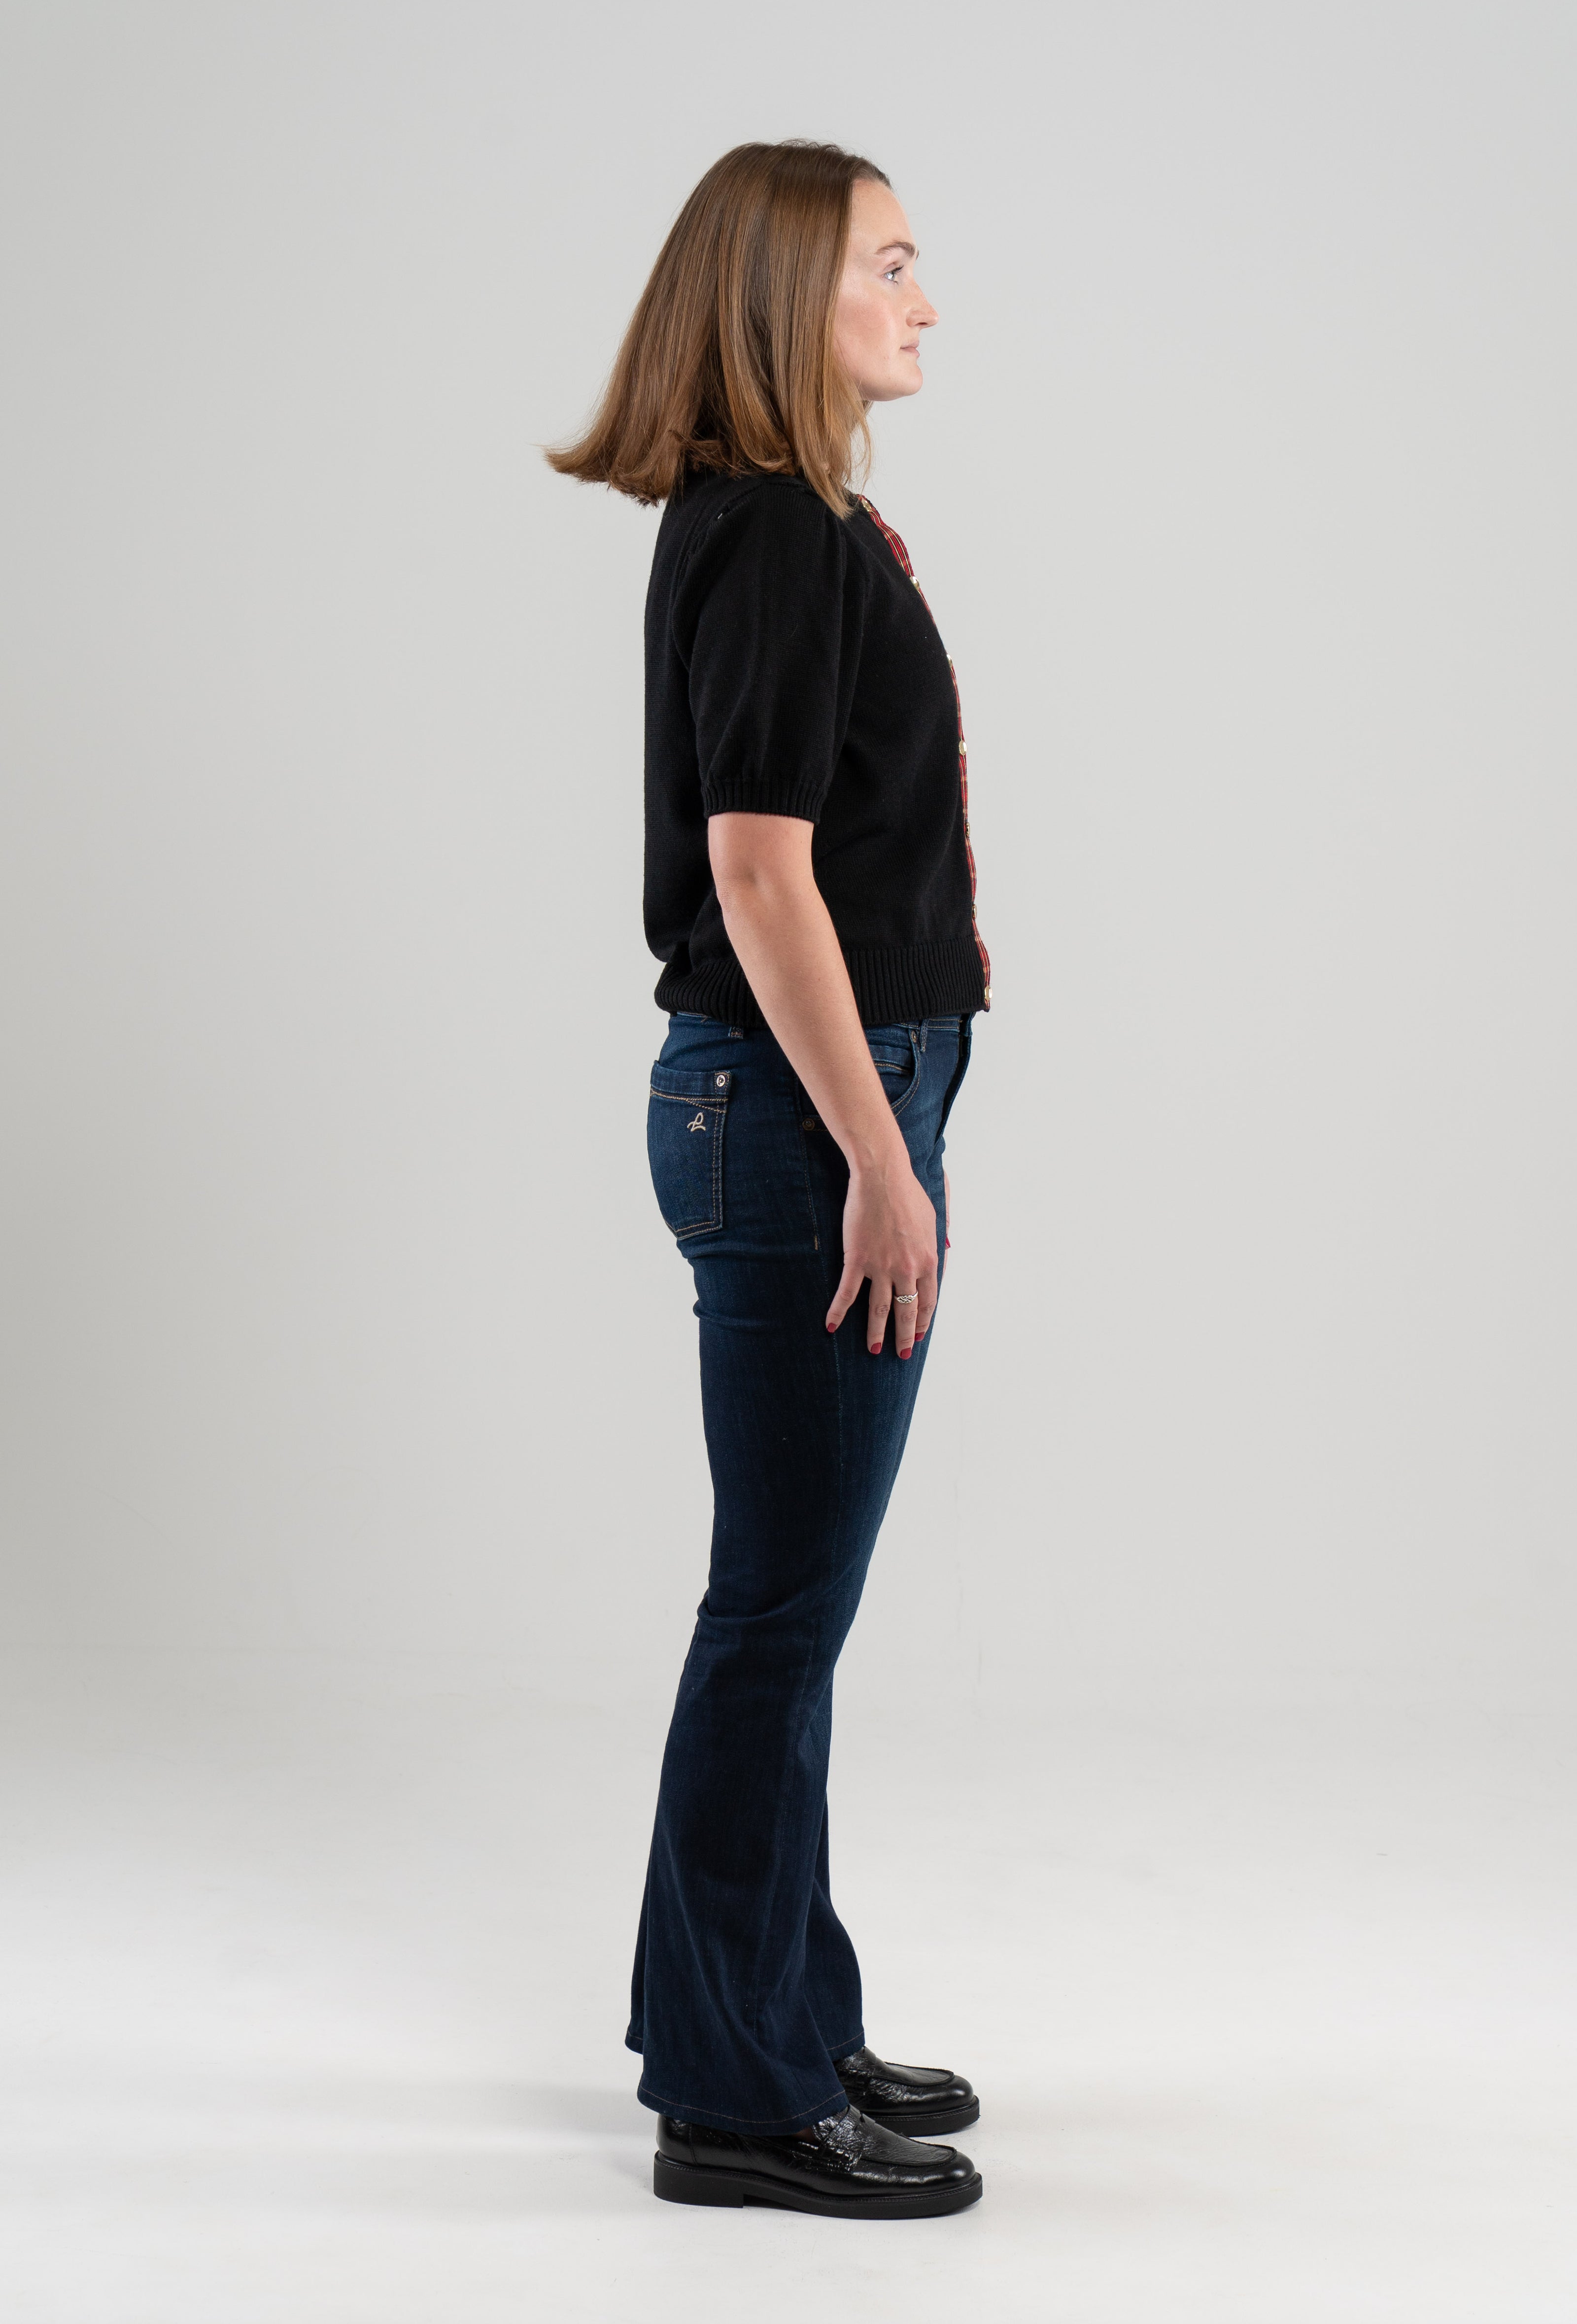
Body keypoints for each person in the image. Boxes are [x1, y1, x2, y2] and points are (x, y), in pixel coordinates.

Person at [549, 139, 990, 2221]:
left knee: (784, 1614)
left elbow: (810, 846)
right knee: (775, 1615)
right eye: (889, 266)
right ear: (784, 293)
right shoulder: (774, 534)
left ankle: (764, 2017)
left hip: (809, 1096)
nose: (924, 300)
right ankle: (735, 2098)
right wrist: (880, 1160)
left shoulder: (791, 525)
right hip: (802, 1119)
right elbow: (752, 870)